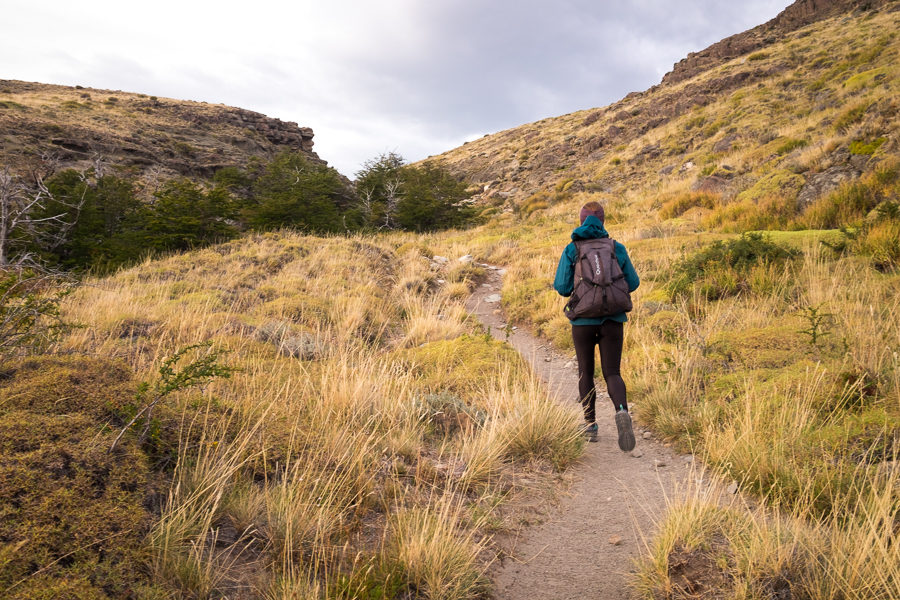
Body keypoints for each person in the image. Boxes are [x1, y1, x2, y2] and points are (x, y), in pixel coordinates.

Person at [553, 201, 639, 450]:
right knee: (612, 372)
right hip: (613, 319)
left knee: (585, 372)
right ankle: (621, 411)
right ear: (602, 221)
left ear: (581, 220)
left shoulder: (572, 249)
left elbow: (562, 288)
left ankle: (590, 425)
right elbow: (632, 283)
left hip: (583, 321)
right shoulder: (616, 247)